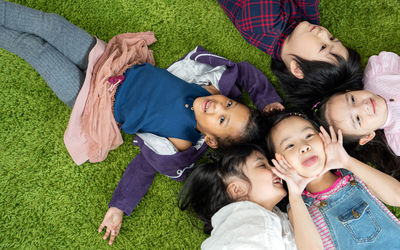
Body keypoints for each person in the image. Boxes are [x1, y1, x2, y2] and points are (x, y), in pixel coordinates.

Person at [0, 1, 284, 244]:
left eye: (221, 119)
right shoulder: (211, 87)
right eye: (231, 104)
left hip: (91, 100)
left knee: (35, 50)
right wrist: (268, 101)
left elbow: (143, 168)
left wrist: (119, 207)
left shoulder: (179, 143)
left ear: (210, 140)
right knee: (48, 24)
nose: (219, 107)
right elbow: (245, 73)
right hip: (110, 64)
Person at [265, 111, 400, 249]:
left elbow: (397, 196)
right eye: (289, 146)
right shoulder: (299, 207)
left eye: (309, 135)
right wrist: (295, 196)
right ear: (279, 163)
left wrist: (347, 161)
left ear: (324, 138)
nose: (304, 147)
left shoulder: (354, 175)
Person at [178, 144, 323, 249]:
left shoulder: (257, 218)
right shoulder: (250, 221)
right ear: (237, 189)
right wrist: (295, 198)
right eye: (262, 165)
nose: (275, 169)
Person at [281, 51, 400, 179]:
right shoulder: (397, 141)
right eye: (358, 119)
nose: (363, 106)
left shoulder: (377, 74)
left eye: (352, 100)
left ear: (349, 91)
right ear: (367, 136)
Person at [217, 0, 362, 87]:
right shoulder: (305, 30)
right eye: (332, 38)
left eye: (323, 47)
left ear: (297, 68)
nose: (323, 33)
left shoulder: (264, 28)